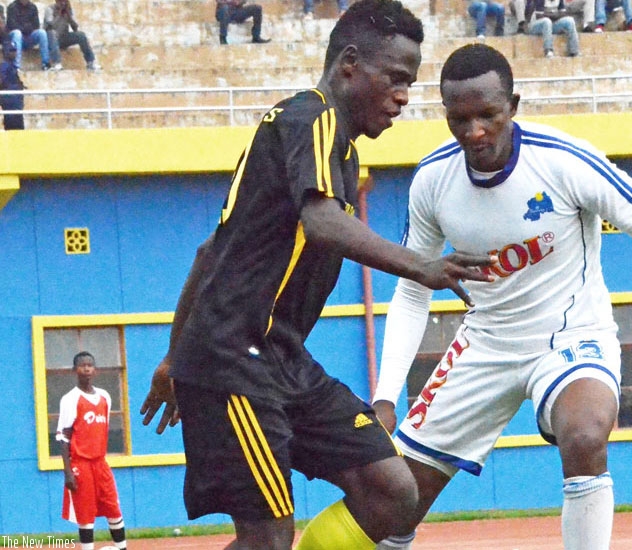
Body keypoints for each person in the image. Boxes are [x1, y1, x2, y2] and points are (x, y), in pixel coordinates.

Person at [372, 43, 632, 550]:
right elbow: (413, 291)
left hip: (571, 338)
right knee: (393, 503)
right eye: (460, 119)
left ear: (512, 106)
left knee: (584, 436)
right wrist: (386, 397)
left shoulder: (564, 162)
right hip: (484, 344)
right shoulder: (433, 181)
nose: (474, 131)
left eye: (488, 115)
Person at [139, 2, 496, 549]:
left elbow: (211, 252)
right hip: (234, 361)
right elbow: (323, 222)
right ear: (349, 63)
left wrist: (171, 357)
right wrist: (423, 266)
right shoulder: (312, 117)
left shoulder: (333, 147)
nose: (404, 96)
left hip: (281, 359)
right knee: (267, 538)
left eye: (410, 83)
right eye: (396, 78)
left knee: (392, 490)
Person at [57, 352, 128, 550]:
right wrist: (68, 472)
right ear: (75, 370)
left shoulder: (105, 397)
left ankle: (122, 547)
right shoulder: (70, 399)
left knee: (113, 509)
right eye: (82, 365)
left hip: (100, 463)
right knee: (85, 515)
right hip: (81, 464)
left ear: (95, 370)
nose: (87, 368)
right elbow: (63, 437)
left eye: (90, 365)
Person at [44, 0, 100, 71]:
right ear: (57, 1)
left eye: (65, 1)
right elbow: (50, 26)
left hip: (63, 38)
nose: (63, 3)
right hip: (51, 39)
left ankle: (91, 62)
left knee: (81, 35)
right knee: (52, 33)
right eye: (61, 1)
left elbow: (75, 28)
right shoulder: (50, 9)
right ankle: (56, 63)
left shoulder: (68, 10)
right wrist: (59, 14)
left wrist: (69, 17)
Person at [512, 0, 579, 58]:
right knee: (546, 21)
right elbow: (539, 16)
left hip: (550, 25)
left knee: (570, 20)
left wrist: (551, 14)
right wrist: (555, 15)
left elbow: (564, 13)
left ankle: (574, 51)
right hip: (534, 26)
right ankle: (548, 50)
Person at [6, 0, 52, 70]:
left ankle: (45, 63)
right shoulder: (12, 7)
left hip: (29, 36)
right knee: (17, 33)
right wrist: (25, 28)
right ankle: (16, 66)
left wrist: (26, 28)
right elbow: (11, 25)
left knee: (42, 33)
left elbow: (36, 25)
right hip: (16, 37)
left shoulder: (33, 7)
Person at [0, 38, 24, 130]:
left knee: (18, 126)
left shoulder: (13, 66)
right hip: (10, 102)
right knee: (12, 125)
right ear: (5, 52)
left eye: (14, 50)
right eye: (11, 51)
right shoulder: (4, 66)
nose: (14, 53)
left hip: (16, 103)